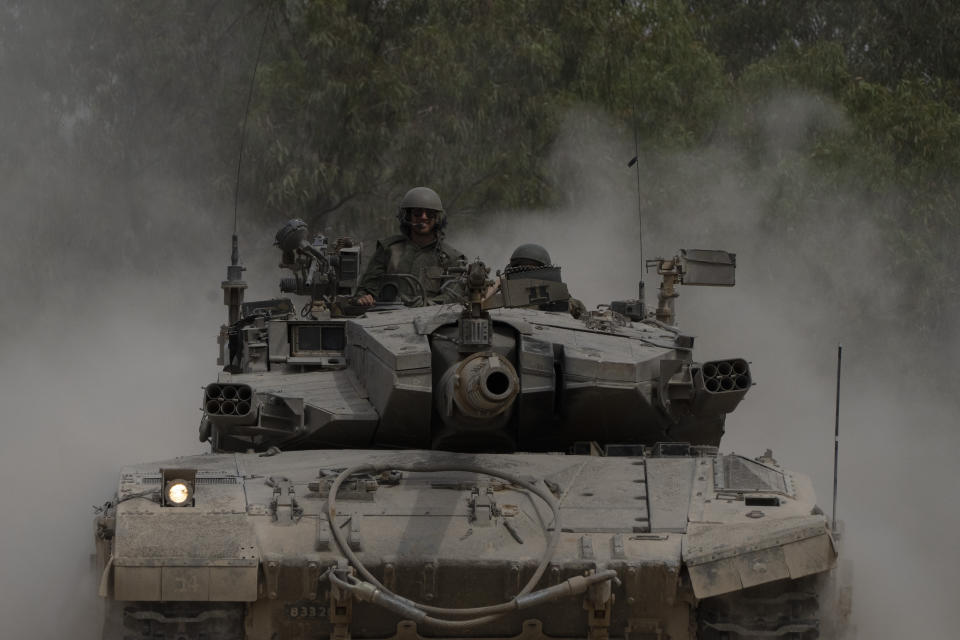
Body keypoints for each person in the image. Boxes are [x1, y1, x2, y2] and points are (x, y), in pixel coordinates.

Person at [356, 187, 465, 306]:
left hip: (432, 321)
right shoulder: (388, 249)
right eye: (417, 213)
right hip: (387, 318)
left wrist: (427, 303)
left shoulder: (451, 258)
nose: (423, 217)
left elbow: (453, 295)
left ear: (437, 218)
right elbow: (366, 288)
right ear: (407, 216)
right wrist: (363, 298)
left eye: (429, 214)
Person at [485, 243, 585, 317]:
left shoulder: (564, 301)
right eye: (520, 269)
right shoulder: (499, 301)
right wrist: (498, 283)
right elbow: (478, 304)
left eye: (532, 270)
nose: (526, 275)